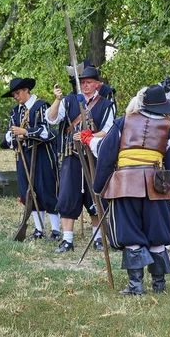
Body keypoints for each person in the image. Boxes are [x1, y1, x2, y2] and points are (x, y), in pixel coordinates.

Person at [92, 85, 170, 295]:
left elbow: (106, 155)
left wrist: (99, 186)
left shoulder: (123, 122)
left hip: (125, 185)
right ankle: (159, 284)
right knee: (157, 234)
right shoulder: (168, 127)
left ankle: (136, 286)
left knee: (130, 233)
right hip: (158, 186)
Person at [46, 65, 115, 252]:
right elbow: (52, 119)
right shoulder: (68, 101)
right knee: (68, 196)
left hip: (95, 157)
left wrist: (88, 137)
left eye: (89, 82)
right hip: (72, 156)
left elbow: (108, 131)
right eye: (82, 82)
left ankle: (98, 238)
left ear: (97, 85)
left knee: (96, 196)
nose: (85, 85)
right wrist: (57, 99)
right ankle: (67, 240)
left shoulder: (107, 105)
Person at [3, 78, 60, 240]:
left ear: (26, 90)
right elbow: (9, 134)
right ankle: (38, 229)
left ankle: (55, 230)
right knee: (29, 191)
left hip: (42, 154)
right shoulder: (15, 112)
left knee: (47, 189)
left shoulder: (41, 106)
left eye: (18, 93)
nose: (16, 96)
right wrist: (15, 137)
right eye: (14, 94)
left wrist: (26, 132)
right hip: (24, 155)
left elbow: (47, 132)